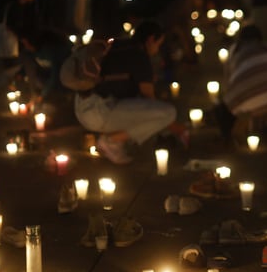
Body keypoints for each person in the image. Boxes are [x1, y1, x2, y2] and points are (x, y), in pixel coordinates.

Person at [72, 20, 187, 164]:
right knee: (168, 113)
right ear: (151, 39)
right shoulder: (140, 56)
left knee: (143, 109)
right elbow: (150, 103)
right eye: (158, 44)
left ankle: (115, 141)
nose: (157, 50)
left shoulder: (117, 44)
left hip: (82, 109)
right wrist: (176, 127)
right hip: (100, 112)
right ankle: (111, 141)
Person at [212, 22, 267, 148]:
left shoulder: (234, 51)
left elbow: (228, 84)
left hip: (245, 109)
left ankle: (242, 127)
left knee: (221, 108)